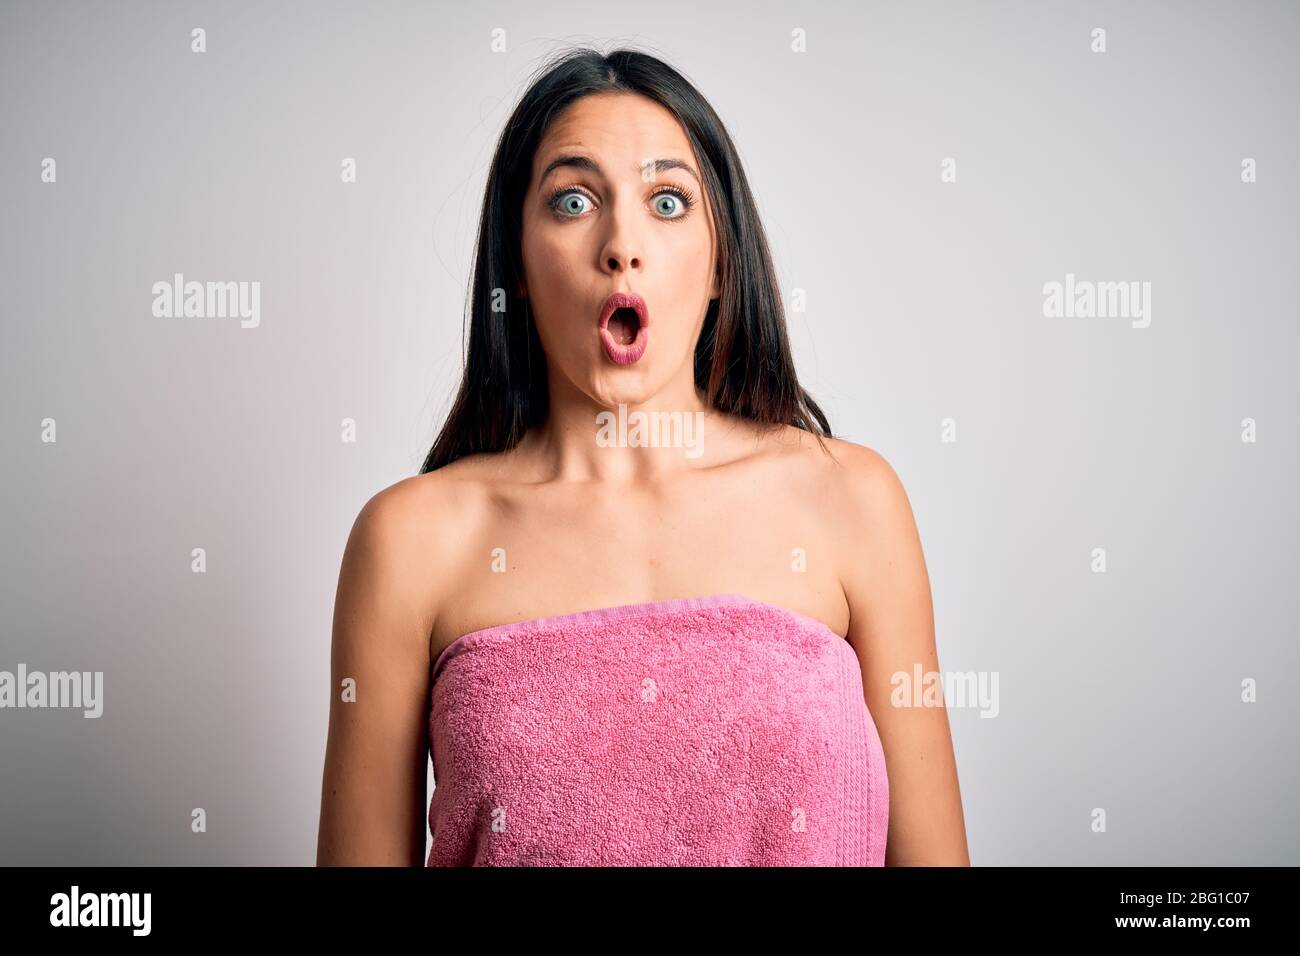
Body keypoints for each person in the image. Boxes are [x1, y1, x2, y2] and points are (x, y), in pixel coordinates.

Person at [316, 47, 969, 866]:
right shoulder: (409, 541)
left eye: (667, 200)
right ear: (515, 265)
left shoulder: (851, 501)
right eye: (573, 200)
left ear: (722, 260)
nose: (622, 243)